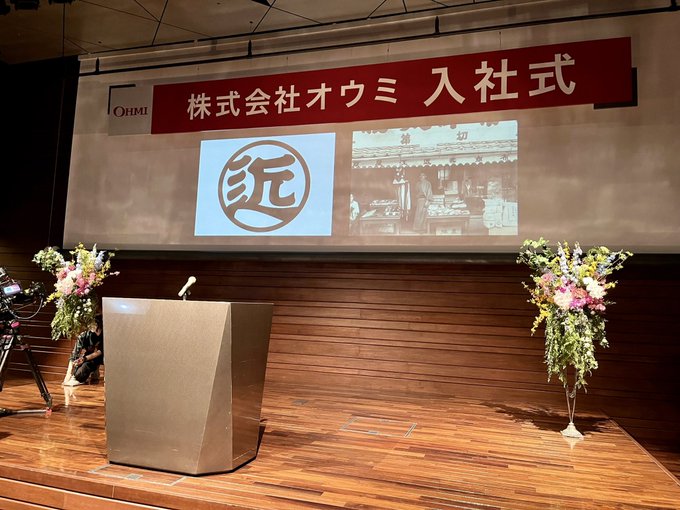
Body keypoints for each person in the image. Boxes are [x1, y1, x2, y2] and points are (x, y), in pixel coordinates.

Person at [63, 315, 104, 386]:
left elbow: (99, 352)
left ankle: (84, 375)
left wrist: (84, 359)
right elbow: (75, 354)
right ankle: (78, 377)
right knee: (77, 370)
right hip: (88, 355)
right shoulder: (85, 335)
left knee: (86, 366)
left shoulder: (105, 334)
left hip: (101, 356)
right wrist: (68, 373)